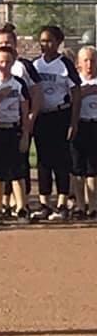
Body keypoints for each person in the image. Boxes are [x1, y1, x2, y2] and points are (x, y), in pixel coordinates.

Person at [0, 25, 42, 203]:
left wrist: (29, 124)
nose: (6, 45)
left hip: (16, 124)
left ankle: (20, 204)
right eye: (2, 43)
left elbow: (32, 95)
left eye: (9, 42)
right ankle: (0, 203)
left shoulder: (22, 70)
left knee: (18, 166)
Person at [32, 25, 81, 221]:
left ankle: (62, 203)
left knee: (61, 160)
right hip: (42, 117)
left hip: (60, 115)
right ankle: (44, 203)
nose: (46, 44)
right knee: (43, 161)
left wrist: (73, 122)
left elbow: (76, 93)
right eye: (43, 40)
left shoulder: (64, 64)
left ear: (59, 42)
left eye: (50, 40)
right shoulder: (36, 64)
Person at [0, 46, 30, 221]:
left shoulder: (19, 83)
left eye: (8, 62)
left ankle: (21, 207)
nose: (4, 65)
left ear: (13, 63)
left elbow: (25, 111)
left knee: (17, 169)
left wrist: (25, 134)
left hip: (14, 128)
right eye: (1, 61)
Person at [70, 46, 97, 220]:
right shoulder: (75, 83)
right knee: (77, 168)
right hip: (79, 125)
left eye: (93, 60)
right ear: (78, 63)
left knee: (93, 169)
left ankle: (93, 206)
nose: (89, 64)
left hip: (95, 125)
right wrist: (83, 92)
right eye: (85, 60)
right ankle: (80, 205)